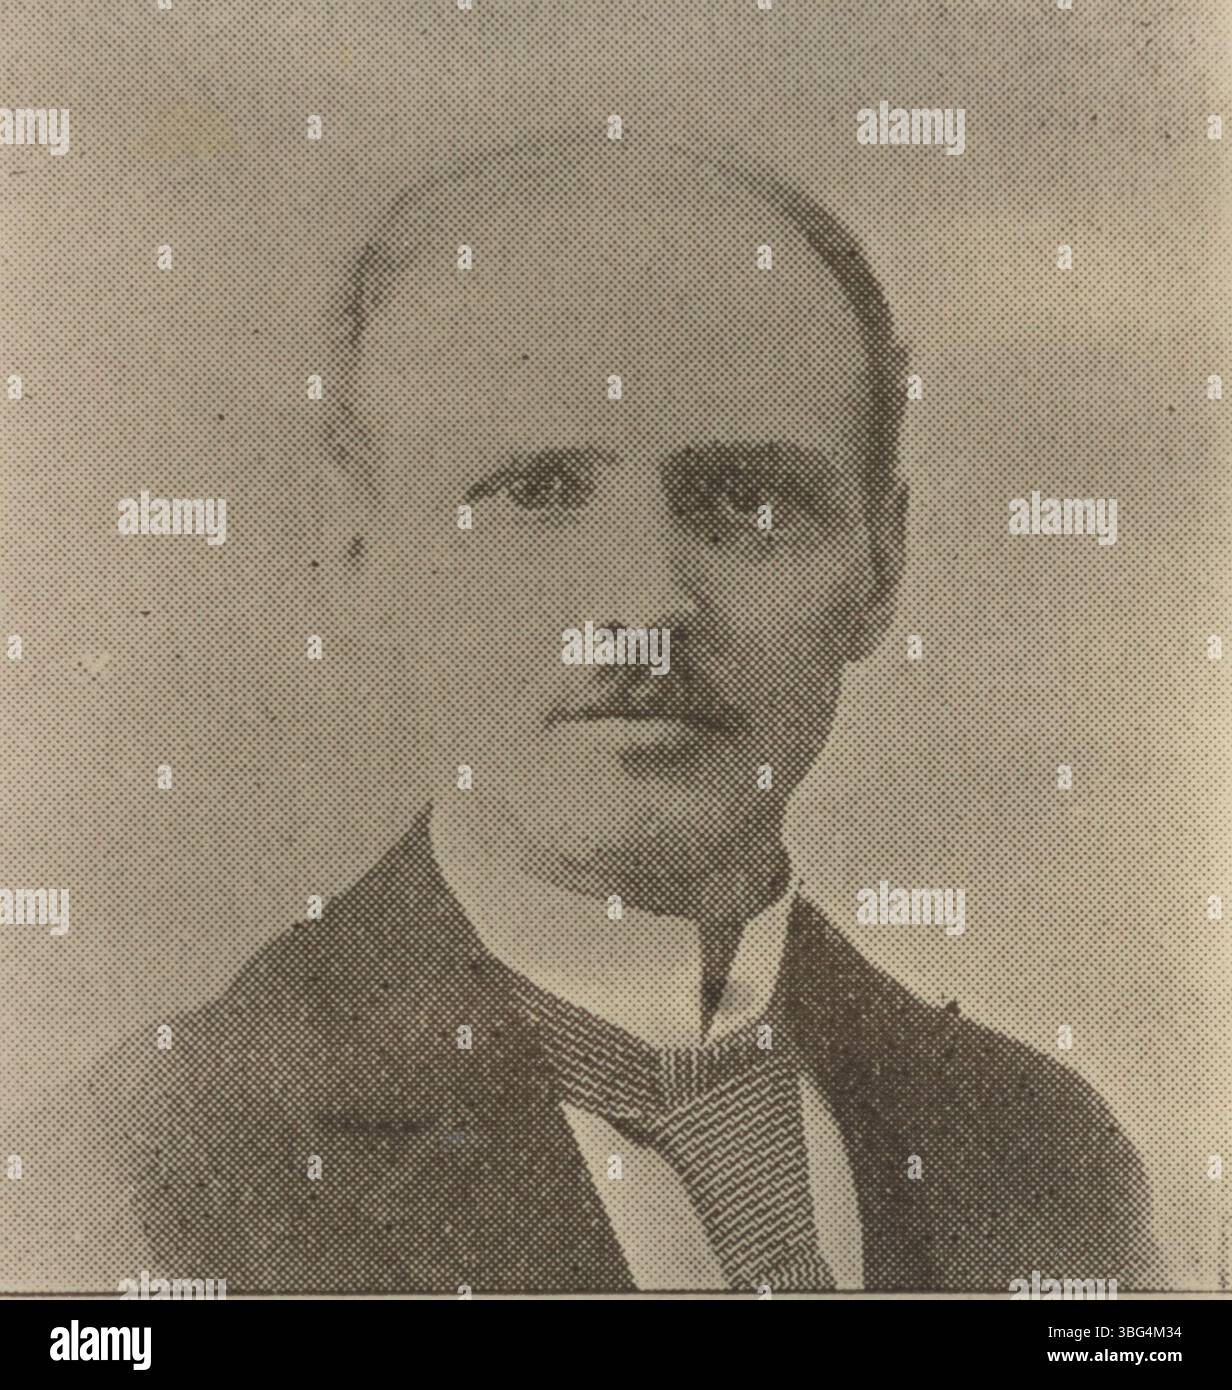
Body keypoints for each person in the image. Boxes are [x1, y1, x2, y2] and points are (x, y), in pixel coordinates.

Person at [1, 133, 1162, 1293]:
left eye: (748, 498)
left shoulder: (1046, 1158)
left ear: (881, 561)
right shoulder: (143, 1175)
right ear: (359, 545)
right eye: (538, 491)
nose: (644, 606)